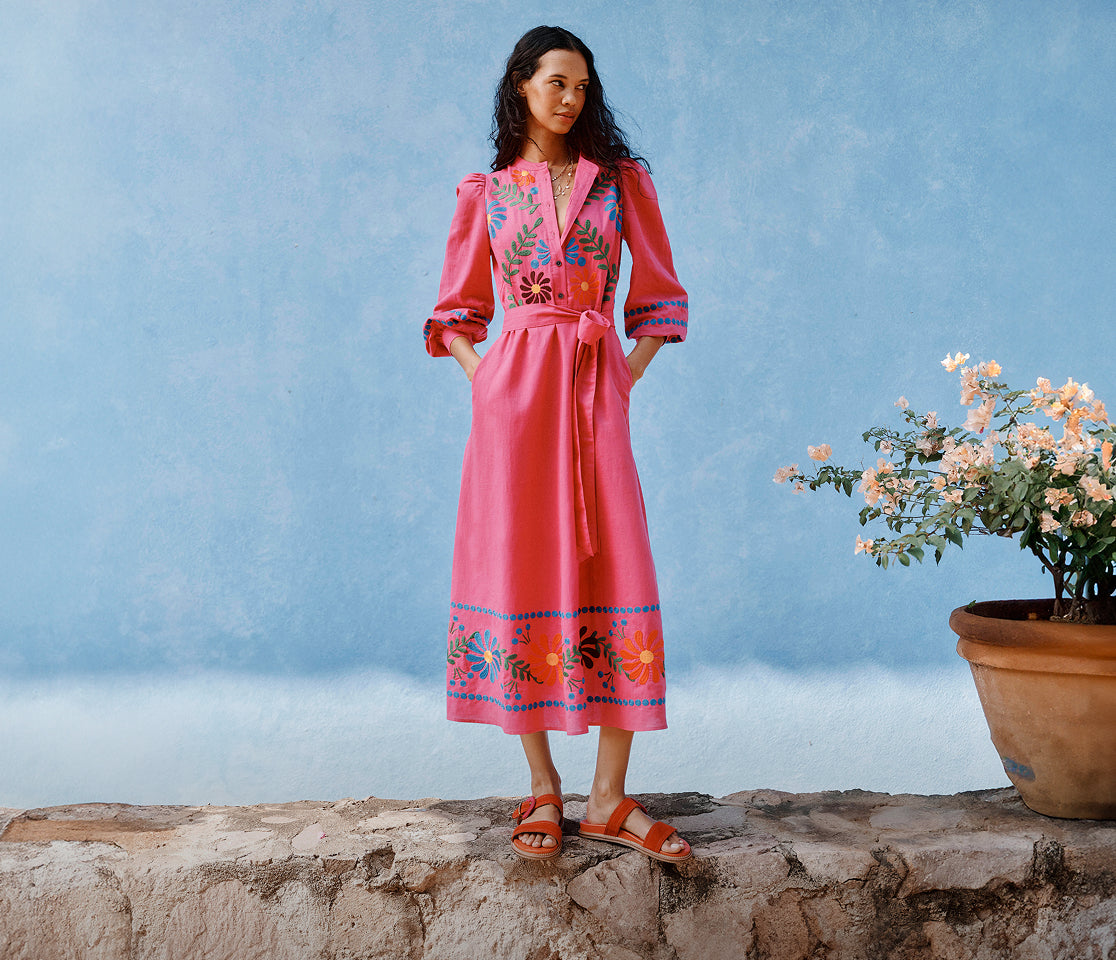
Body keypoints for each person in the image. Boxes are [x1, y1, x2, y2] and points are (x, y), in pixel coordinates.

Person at [424, 25, 690, 863]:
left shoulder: (621, 184)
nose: (571, 98)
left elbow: (660, 297)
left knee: (618, 558)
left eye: (581, 86)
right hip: (513, 403)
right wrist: (485, 375)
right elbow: (454, 311)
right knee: (520, 566)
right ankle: (543, 786)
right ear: (522, 87)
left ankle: (608, 797)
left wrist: (624, 373)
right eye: (556, 83)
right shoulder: (487, 193)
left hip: (592, 385)